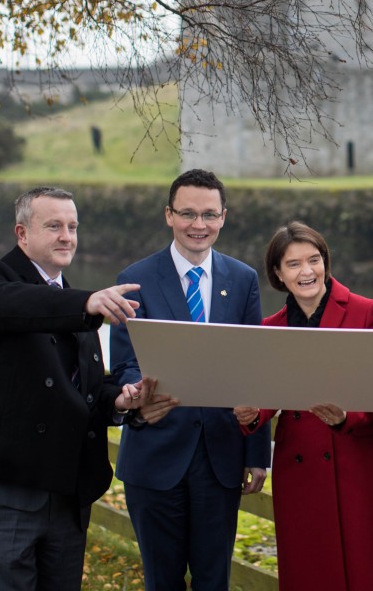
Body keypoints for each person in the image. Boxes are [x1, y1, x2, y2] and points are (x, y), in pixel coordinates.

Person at [0, 185, 167, 591]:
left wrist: (120, 401)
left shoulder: (71, 299)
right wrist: (85, 304)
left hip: (68, 492)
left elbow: (85, 390)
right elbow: (10, 306)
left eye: (72, 226)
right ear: (22, 234)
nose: (66, 236)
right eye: (53, 226)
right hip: (7, 488)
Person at [111, 169, 271, 591]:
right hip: (155, 453)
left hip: (220, 457)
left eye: (209, 215)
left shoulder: (242, 279)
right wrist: (137, 396)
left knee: (212, 579)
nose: (198, 225)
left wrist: (257, 450)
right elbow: (125, 364)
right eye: (187, 214)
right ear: (169, 215)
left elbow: (253, 369)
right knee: (161, 580)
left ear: (223, 217)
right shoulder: (135, 278)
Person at [233, 222, 373, 591]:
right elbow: (267, 395)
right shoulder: (270, 328)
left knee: (365, 570)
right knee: (309, 570)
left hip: (354, 461)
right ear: (278, 273)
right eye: (293, 264)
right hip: (299, 468)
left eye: (313, 259)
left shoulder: (368, 312)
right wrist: (252, 415)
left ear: (326, 262)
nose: (306, 271)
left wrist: (347, 417)